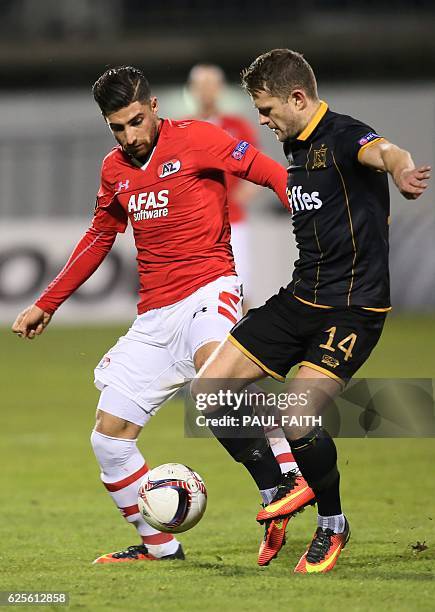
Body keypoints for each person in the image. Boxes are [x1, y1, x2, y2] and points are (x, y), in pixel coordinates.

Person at [11, 66, 311, 565]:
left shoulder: (198, 138)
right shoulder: (115, 169)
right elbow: (98, 237)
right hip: (154, 316)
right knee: (108, 440)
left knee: (219, 378)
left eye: (134, 121)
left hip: (208, 290)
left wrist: (319, 230)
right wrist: (47, 301)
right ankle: (160, 547)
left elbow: (272, 174)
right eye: (117, 128)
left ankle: (283, 483)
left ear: (153, 107)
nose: (129, 136)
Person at [192, 49, 431, 573]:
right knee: (207, 393)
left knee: (296, 416)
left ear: (298, 98)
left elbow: (387, 151)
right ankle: (279, 485)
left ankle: (332, 523)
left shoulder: (345, 135)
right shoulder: (296, 146)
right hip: (301, 299)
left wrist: (402, 170)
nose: (262, 119)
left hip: (353, 309)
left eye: (268, 108)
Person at [187, 64, 259, 305]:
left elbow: (257, 166)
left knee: (240, 289)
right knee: (197, 293)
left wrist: (249, 188)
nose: (206, 92)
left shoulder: (237, 126)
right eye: (201, 86)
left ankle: (243, 342)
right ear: (192, 90)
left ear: (220, 89)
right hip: (194, 224)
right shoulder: (182, 129)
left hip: (232, 221)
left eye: (211, 85)